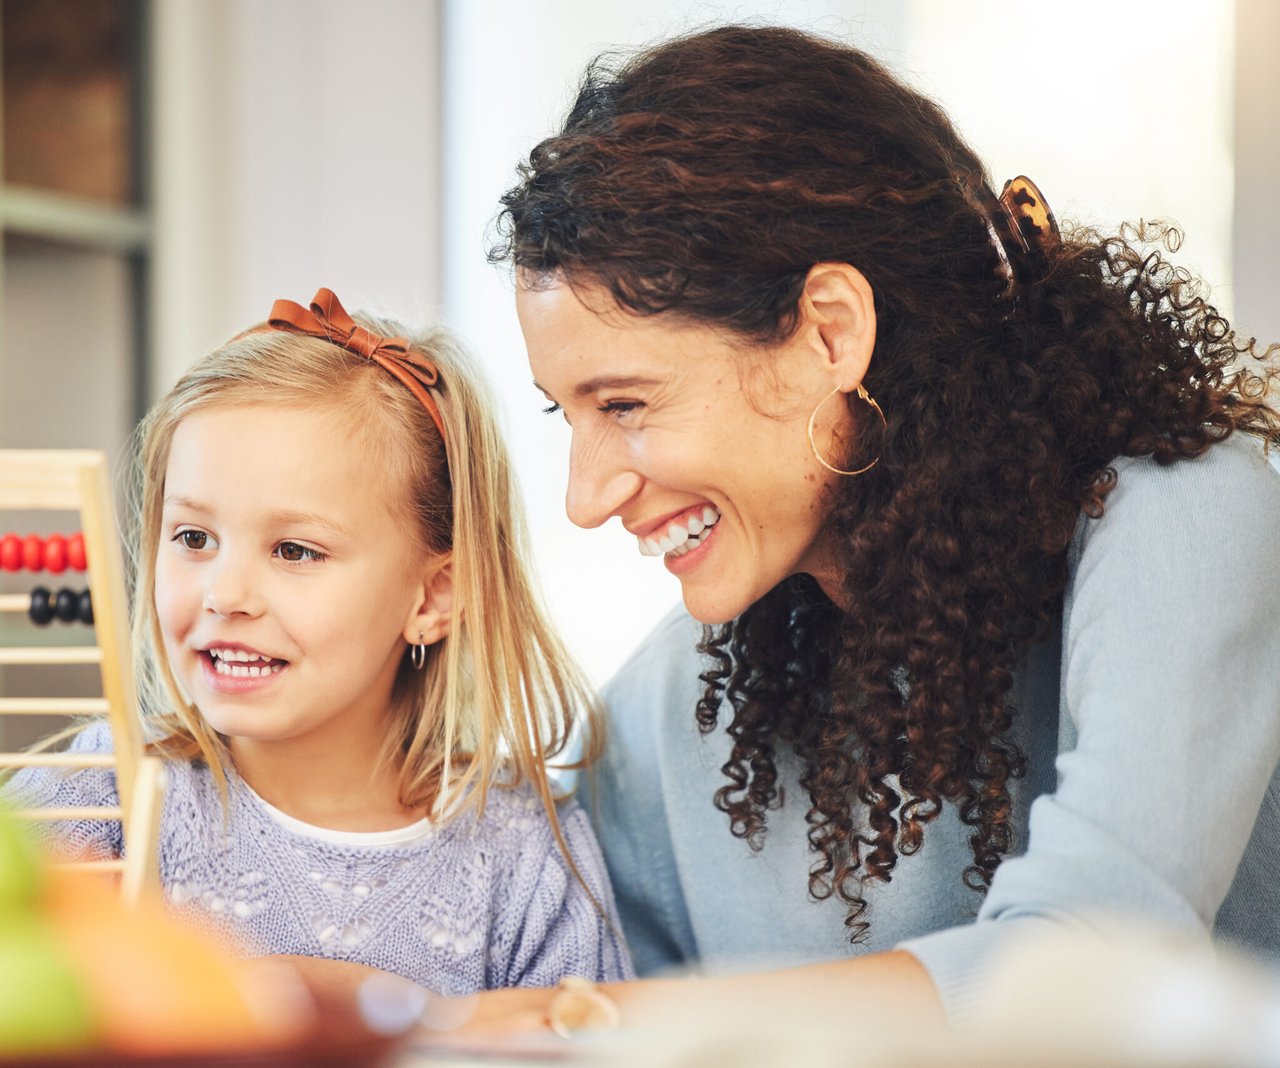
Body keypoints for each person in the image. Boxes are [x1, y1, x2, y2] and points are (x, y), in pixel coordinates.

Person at [462, 23, 1280, 1033]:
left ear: (829, 333)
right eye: (566, 414)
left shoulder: (1185, 507)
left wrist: (575, 1023)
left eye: (625, 404)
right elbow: (484, 905)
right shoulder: (679, 703)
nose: (584, 498)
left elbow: (1086, 963)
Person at [0, 288, 631, 996]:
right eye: (194, 537)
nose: (226, 594)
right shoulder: (101, 794)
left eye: (295, 551)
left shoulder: (523, 852)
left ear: (433, 597)